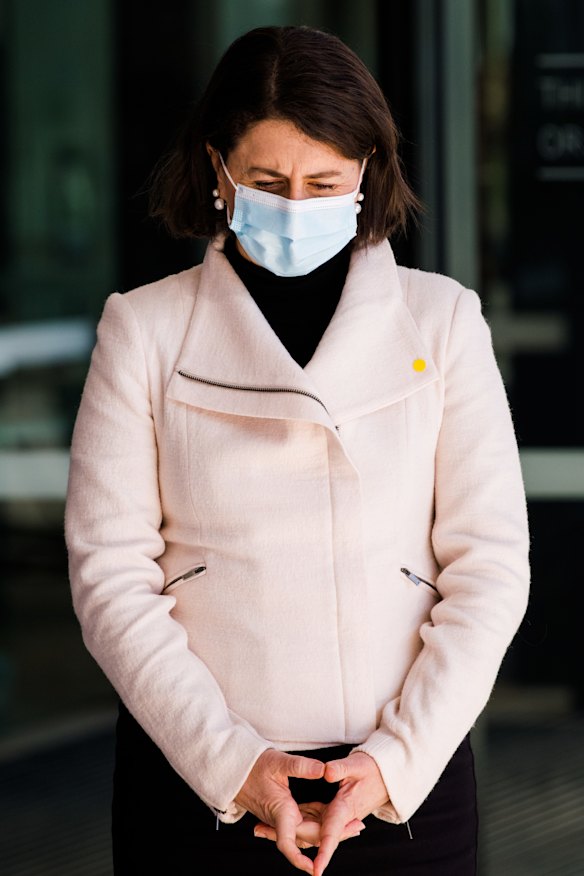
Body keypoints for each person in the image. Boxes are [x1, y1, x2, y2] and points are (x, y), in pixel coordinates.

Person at [64, 24, 530, 876]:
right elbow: (109, 577)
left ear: (367, 173)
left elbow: (490, 565)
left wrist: (393, 762)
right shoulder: (145, 328)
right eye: (270, 182)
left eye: (325, 183)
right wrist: (234, 764)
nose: (298, 204)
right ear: (218, 169)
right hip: (199, 785)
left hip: (405, 792)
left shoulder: (443, 320)